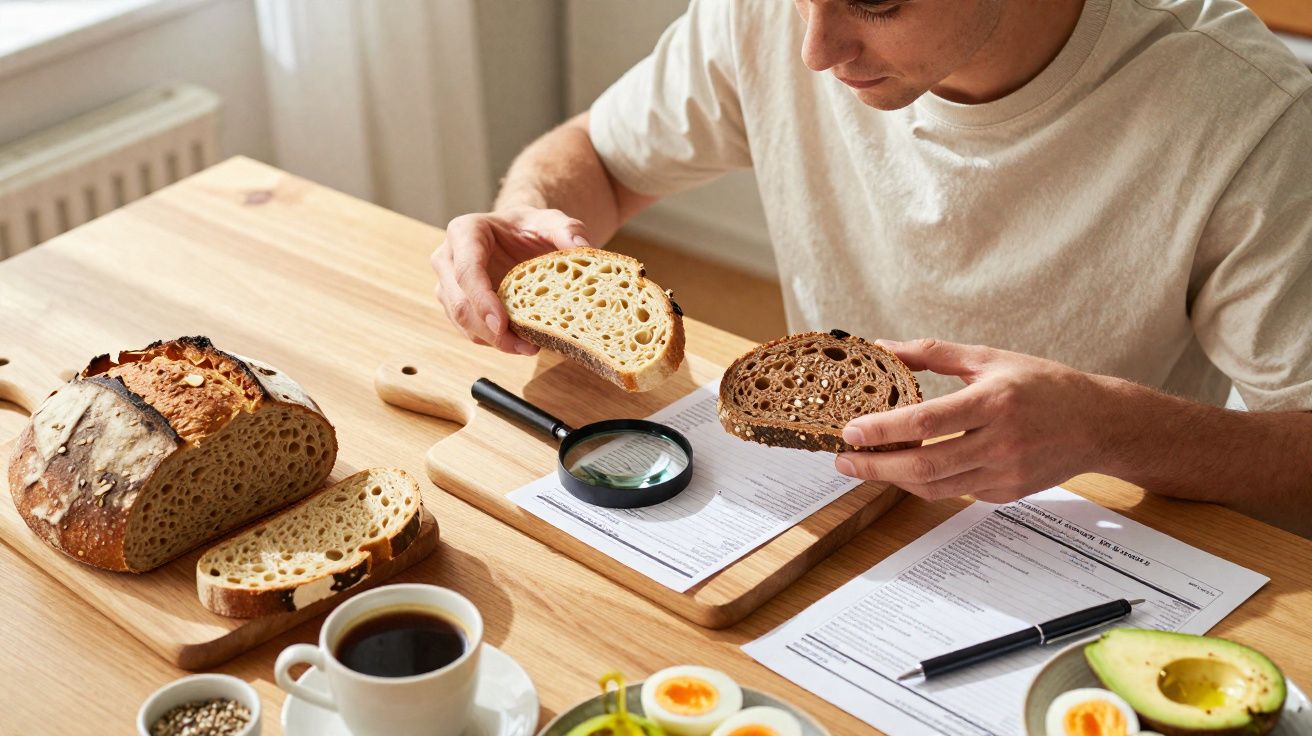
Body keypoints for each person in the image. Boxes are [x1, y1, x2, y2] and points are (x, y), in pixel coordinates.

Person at [431, 0, 1312, 536]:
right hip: (819, 516)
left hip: (1089, 550)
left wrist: (1108, 430)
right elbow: (601, 156)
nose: (815, 51)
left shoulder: (1250, 119)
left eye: (877, 3)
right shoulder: (771, 22)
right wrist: (524, 220)